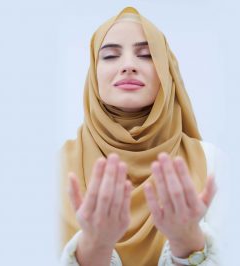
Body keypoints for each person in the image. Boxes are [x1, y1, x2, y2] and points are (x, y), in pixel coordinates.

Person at [58, 6, 229, 266]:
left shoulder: (212, 163)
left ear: (166, 72)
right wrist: (94, 247)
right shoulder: (56, 168)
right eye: (110, 56)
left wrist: (188, 244)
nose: (128, 66)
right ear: (93, 73)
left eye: (147, 55)